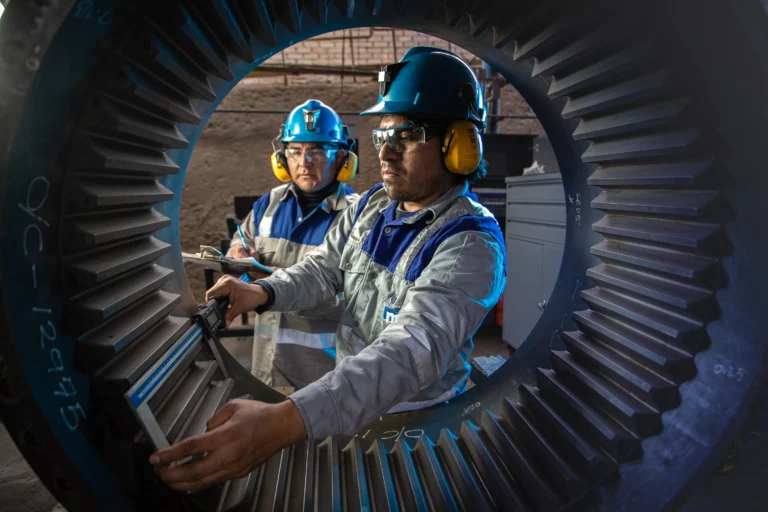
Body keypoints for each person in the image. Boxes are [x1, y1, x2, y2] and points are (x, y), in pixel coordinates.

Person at [150, 47, 506, 492]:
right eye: (382, 137)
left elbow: (410, 350)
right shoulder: (376, 207)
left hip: (414, 425)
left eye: (407, 136)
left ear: (460, 146)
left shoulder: (471, 242)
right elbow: (323, 270)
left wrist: (286, 420)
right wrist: (263, 292)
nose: (387, 154)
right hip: (344, 405)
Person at [226, 99, 359, 390]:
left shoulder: (358, 217)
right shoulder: (268, 204)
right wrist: (236, 252)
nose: (304, 162)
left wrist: (280, 286)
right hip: (267, 365)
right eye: (295, 151)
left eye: (317, 151)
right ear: (282, 158)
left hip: (325, 375)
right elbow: (241, 239)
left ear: (342, 159)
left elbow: (363, 300)